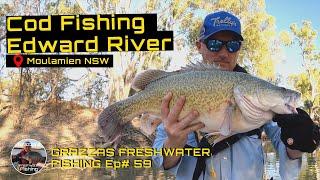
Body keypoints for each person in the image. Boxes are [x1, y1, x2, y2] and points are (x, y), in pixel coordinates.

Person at [152, 11, 320, 180]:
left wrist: (298, 141)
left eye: (232, 45)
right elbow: (164, 163)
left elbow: (288, 153)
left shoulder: (258, 97)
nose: (224, 53)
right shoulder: (178, 89)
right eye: (214, 44)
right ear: (199, 46)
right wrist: (174, 142)